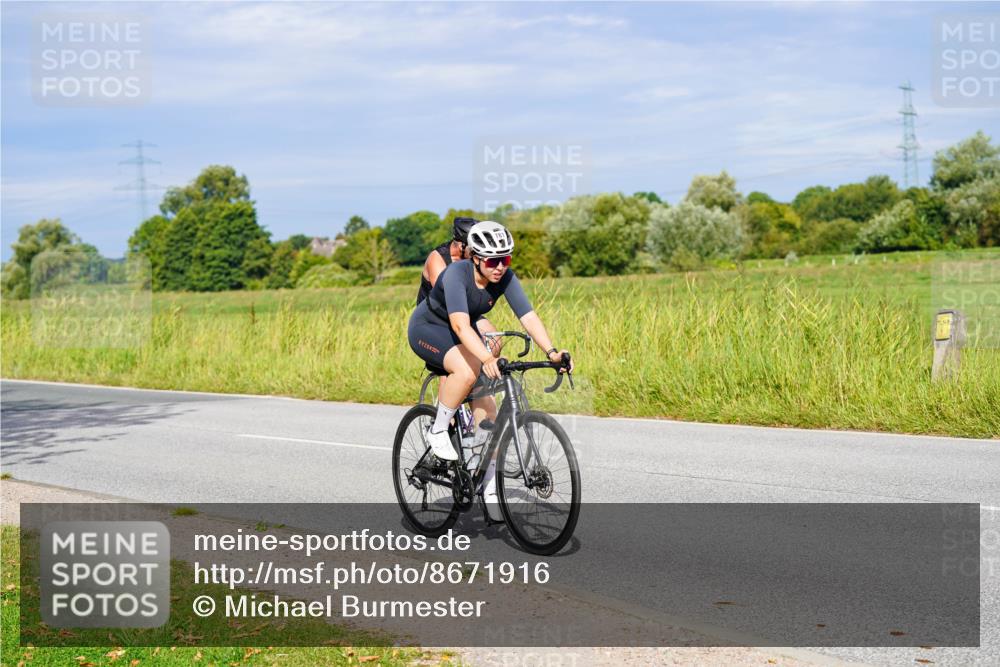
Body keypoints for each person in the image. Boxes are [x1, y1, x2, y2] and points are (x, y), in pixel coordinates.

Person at [407, 220, 572, 519]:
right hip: (429, 328)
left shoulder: (504, 277)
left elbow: (529, 316)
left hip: (464, 326)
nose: (500, 267)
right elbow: (458, 325)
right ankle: (439, 428)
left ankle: (489, 485)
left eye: (506, 259)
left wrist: (552, 352)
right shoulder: (457, 273)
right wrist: (484, 359)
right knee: (469, 369)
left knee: (491, 414)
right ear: (477, 258)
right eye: (494, 261)